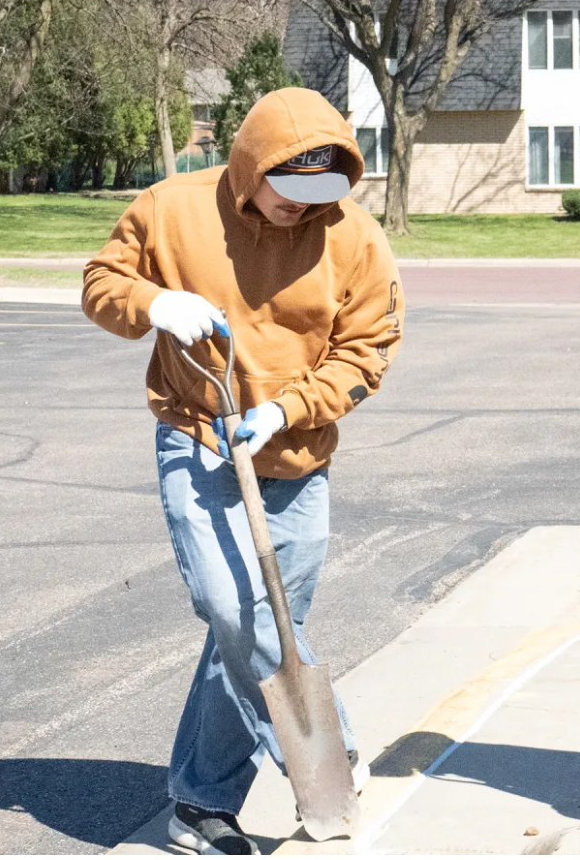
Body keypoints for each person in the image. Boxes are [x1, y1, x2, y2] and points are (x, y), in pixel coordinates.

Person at [84, 88, 404, 855]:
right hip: (198, 436)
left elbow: (367, 352)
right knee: (235, 614)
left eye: (319, 194)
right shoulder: (170, 210)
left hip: (299, 455)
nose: (303, 208)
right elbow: (100, 285)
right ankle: (331, 748)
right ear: (250, 167)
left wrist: (289, 410)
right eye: (287, 190)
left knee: (252, 636)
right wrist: (153, 304)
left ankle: (201, 804)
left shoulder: (355, 237)